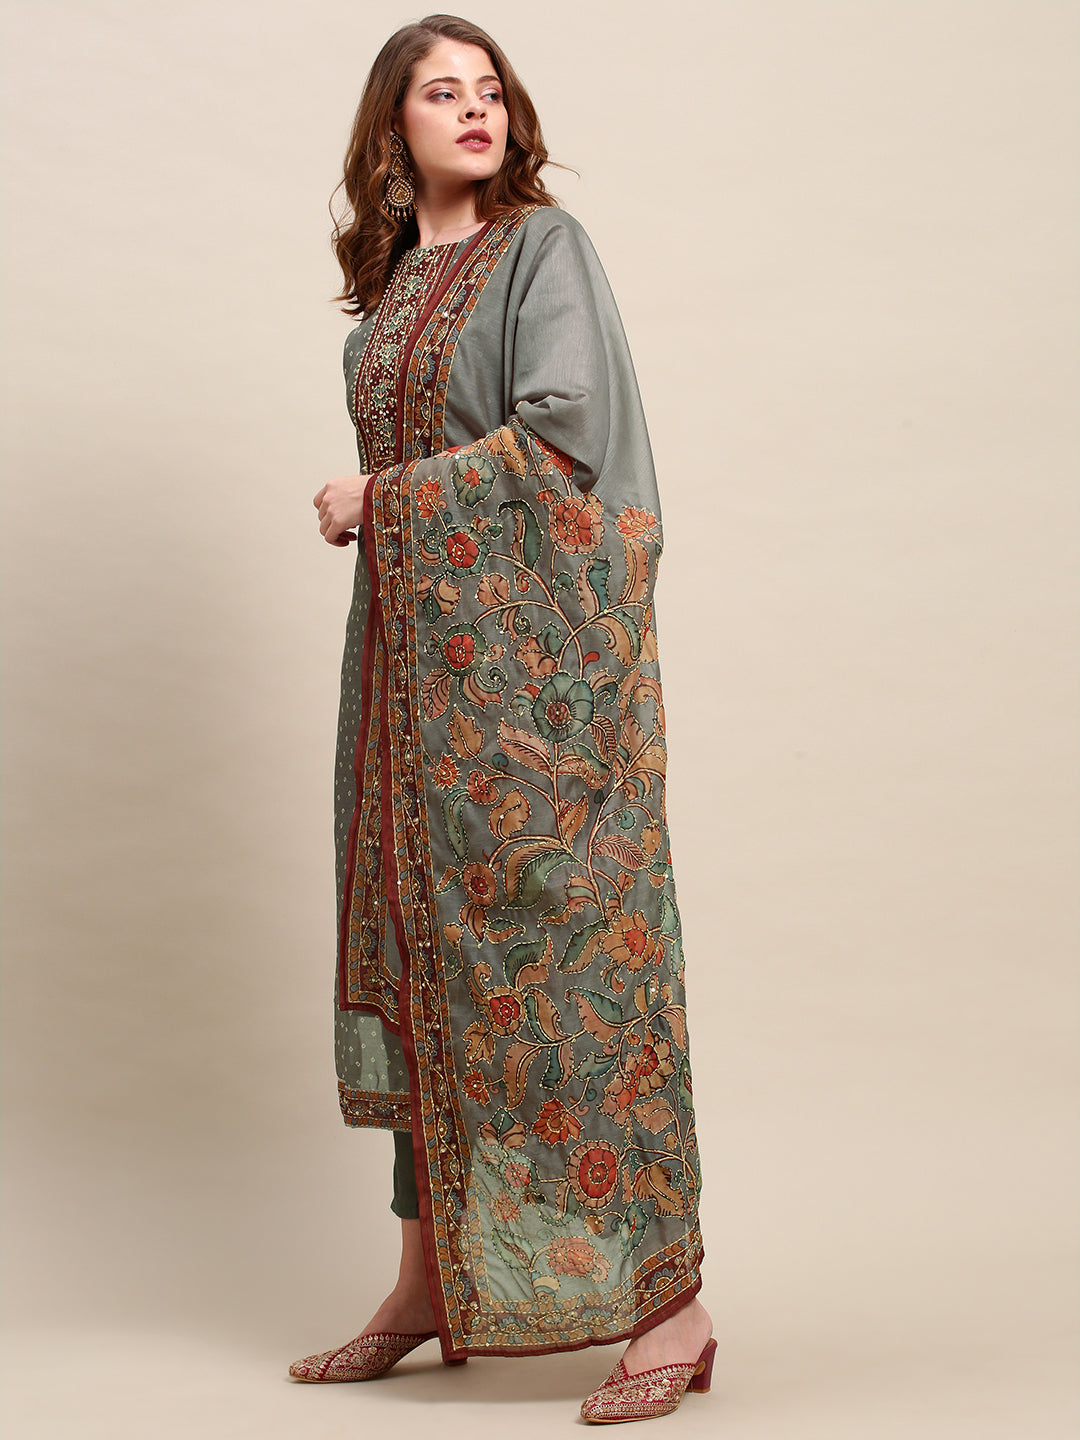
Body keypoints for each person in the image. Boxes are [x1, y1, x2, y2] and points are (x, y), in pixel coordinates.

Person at [292, 14, 715, 1424]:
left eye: (490, 91)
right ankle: (427, 1283)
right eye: (442, 92)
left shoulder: (543, 248)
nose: (475, 110)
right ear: (393, 129)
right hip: (408, 688)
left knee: (570, 978)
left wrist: (382, 499)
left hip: (534, 697)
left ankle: (672, 1307)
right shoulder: (396, 287)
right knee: (421, 963)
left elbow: (561, 439)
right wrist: (391, 508)